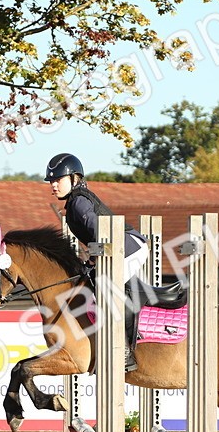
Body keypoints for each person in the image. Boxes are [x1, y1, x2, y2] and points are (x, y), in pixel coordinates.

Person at [45, 152, 148, 371]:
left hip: (129, 249)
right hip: (117, 249)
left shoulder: (79, 203)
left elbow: (103, 234)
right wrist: (93, 260)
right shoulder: (74, 202)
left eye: (58, 180)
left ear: (74, 178)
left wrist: (95, 258)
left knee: (107, 290)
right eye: (51, 181)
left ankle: (125, 351)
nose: (53, 185)